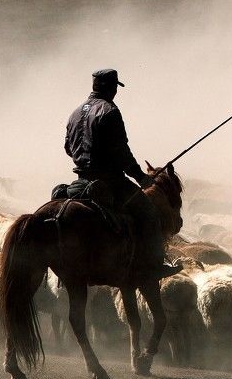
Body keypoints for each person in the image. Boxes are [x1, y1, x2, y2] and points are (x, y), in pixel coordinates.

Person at [64, 68, 168, 278]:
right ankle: (155, 266)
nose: (116, 92)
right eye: (115, 87)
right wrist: (141, 178)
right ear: (111, 88)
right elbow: (121, 151)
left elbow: (68, 147)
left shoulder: (75, 113)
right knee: (149, 214)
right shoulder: (110, 111)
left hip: (81, 179)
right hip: (110, 181)